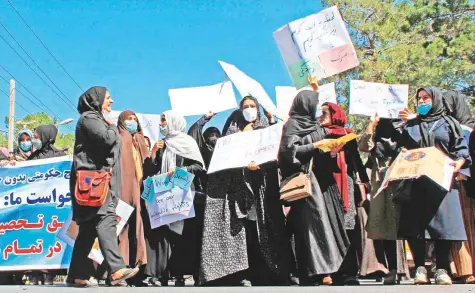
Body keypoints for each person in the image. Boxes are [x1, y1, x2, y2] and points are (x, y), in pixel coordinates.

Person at [200, 96, 287, 286]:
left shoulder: (267, 129)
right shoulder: (232, 131)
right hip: (237, 189)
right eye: (245, 106)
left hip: (261, 187)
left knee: (263, 227)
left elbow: (278, 149)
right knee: (241, 231)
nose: (249, 109)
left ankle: (267, 271)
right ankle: (239, 273)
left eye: (253, 106)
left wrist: (272, 121)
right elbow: (224, 156)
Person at [397, 87, 470, 285]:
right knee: (416, 224)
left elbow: (462, 150)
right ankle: (420, 267)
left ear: (436, 99)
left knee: (443, 224)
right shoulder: (411, 125)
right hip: (417, 180)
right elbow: (400, 147)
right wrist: (403, 152)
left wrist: (460, 163)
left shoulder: (449, 123)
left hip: (443, 180)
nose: (421, 102)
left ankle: (442, 269)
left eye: (426, 98)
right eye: (419, 99)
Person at [67, 86, 139, 287]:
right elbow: (107, 139)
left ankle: (76, 274)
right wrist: (115, 128)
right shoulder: (90, 118)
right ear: (97, 100)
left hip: (95, 181)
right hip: (93, 182)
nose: (112, 101)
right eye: (108, 97)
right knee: (106, 217)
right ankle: (116, 269)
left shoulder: (96, 119)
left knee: (89, 228)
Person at [278, 89, 350, 286]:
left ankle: (337, 268)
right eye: (313, 102)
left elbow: (325, 152)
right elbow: (288, 152)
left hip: (325, 182)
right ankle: (320, 270)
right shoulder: (292, 125)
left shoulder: (316, 124)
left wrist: (333, 151)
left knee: (332, 222)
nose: (315, 107)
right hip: (308, 184)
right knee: (316, 225)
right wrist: (314, 147)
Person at [142, 110, 206, 287]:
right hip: (162, 193)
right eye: (161, 120)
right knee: (162, 235)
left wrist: (180, 172)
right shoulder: (162, 144)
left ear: (173, 121)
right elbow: (151, 169)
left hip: (182, 192)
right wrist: (154, 152)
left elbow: (199, 167)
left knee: (179, 234)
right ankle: (160, 274)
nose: (162, 123)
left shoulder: (187, 142)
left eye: (164, 120)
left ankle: (179, 273)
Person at [318, 102, 370, 285]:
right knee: (328, 227)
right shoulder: (318, 133)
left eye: (326, 112)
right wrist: (330, 154)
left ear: (336, 114)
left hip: (345, 184)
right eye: (321, 112)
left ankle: (349, 272)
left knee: (348, 227)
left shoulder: (348, 135)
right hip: (324, 183)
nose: (322, 115)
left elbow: (355, 159)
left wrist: (365, 180)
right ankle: (329, 271)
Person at [359, 114, 410, 285]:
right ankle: (392, 269)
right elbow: (364, 147)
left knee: (405, 222)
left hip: (401, 176)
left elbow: (413, 144)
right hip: (380, 179)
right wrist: (372, 124)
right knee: (384, 225)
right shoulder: (376, 130)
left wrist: (408, 120)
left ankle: (415, 267)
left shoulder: (405, 126)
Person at [117, 111, 149, 286]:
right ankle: (119, 271)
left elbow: (148, 163)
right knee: (121, 230)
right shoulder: (118, 138)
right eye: (129, 119)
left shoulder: (140, 139)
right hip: (122, 190)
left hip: (139, 191)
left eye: (135, 119)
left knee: (137, 229)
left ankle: (137, 272)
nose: (133, 122)